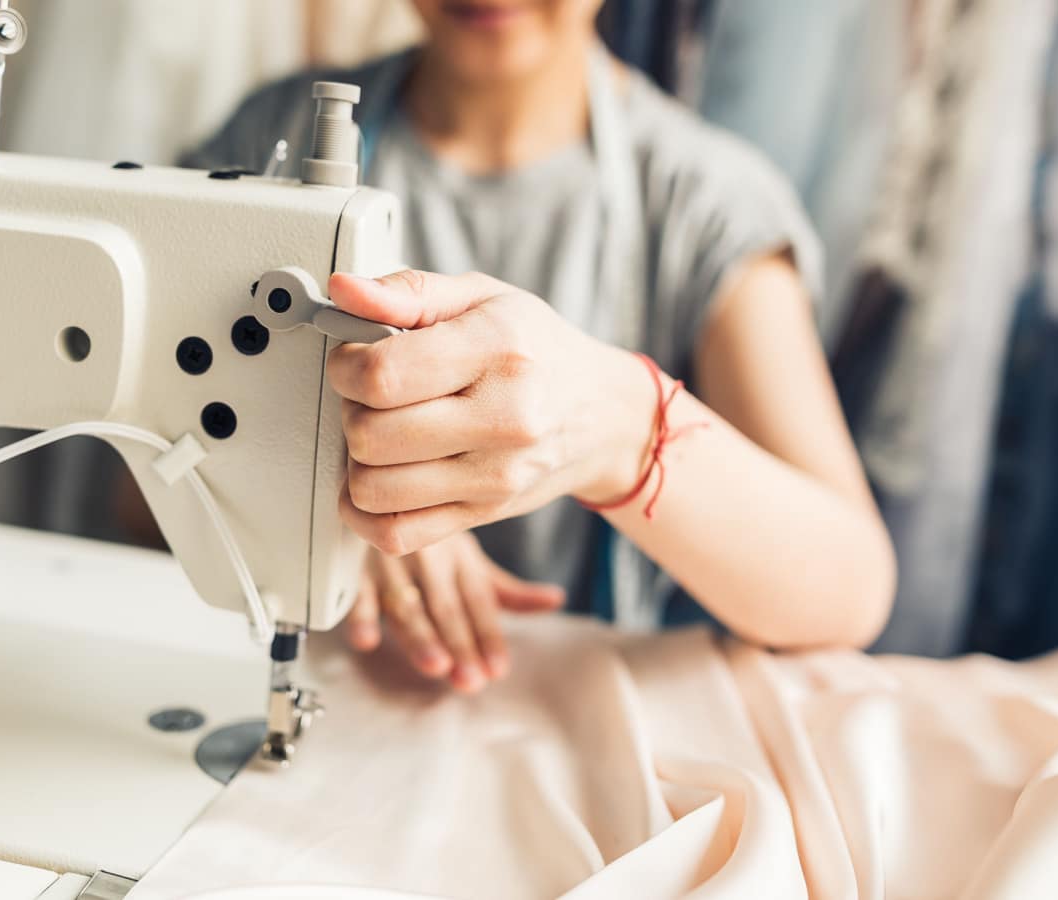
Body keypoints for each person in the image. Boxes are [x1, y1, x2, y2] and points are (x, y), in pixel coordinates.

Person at [185, 0, 895, 693]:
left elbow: (850, 589)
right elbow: (134, 487)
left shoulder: (706, 205)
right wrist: (311, 522)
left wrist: (623, 429)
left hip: (562, 709)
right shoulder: (268, 138)